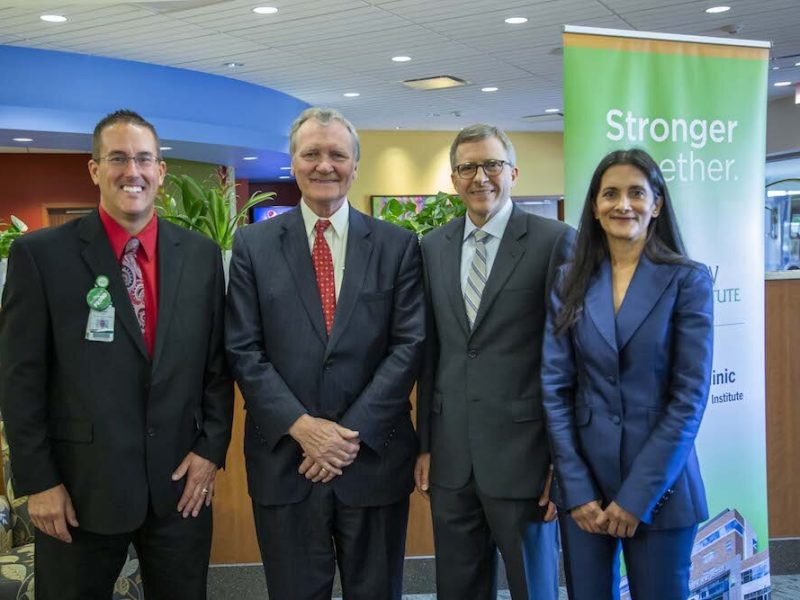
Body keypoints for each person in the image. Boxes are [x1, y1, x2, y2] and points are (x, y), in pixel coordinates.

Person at [0, 109, 233, 599]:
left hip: (179, 489)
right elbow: (20, 379)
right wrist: (39, 483)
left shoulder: (201, 255)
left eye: (144, 159)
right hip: (78, 492)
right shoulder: (41, 256)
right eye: (118, 158)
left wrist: (210, 451)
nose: (133, 171)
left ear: (160, 171)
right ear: (94, 169)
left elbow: (216, 366)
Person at [225, 107, 425, 600]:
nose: (324, 165)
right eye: (311, 153)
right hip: (286, 462)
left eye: (337, 154)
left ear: (355, 165)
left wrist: (345, 437)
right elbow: (243, 348)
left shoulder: (398, 246)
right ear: (293, 162)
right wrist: (304, 428)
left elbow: (408, 345)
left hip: (373, 458)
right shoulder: (252, 245)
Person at [542, 148, 713, 600]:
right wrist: (576, 489)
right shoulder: (569, 279)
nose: (623, 204)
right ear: (595, 207)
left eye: (637, 193)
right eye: (610, 194)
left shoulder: (688, 280)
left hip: (661, 486)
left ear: (656, 205)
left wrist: (637, 497)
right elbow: (555, 388)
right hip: (585, 490)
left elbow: (689, 398)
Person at [414, 123, 573, 600]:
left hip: (526, 459)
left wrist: (561, 460)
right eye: (467, 168)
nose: (480, 177)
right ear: (453, 179)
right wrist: (426, 444)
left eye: (492, 165)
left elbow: (568, 358)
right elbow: (430, 353)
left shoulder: (555, 241)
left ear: (513, 173)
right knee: (457, 588)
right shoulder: (432, 247)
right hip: (451, 459)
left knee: (533, 589)